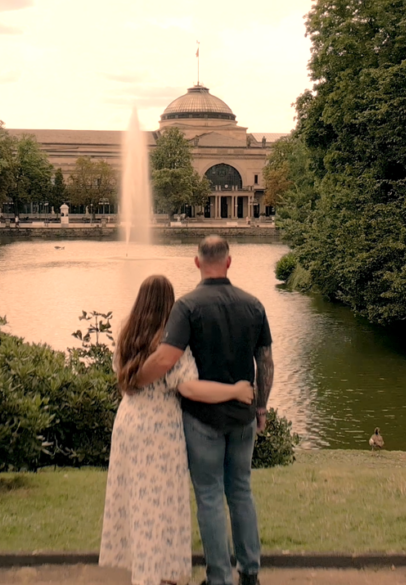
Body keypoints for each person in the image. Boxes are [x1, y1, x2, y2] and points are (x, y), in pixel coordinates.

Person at [134, 236, 274, 585]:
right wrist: (261, 408)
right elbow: (265, 362)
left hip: (201, 418)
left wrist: (133, 379)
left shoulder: (187, 307)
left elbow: (166, 358)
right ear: (229, 262)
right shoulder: (254, 305)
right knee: (241, 491)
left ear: (197, 262)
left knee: (210, 496)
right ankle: (250, 572)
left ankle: (219, 578)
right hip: (242, 415)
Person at [99, 274, 254, 585]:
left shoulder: (126, 337)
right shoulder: (171, 346)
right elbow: (191, 389)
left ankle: (147, 571)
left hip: (129, 422)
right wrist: (235, 391)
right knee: (161, 504)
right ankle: (158, 574)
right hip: (160, 431)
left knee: (138, 500)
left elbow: (123, 379)